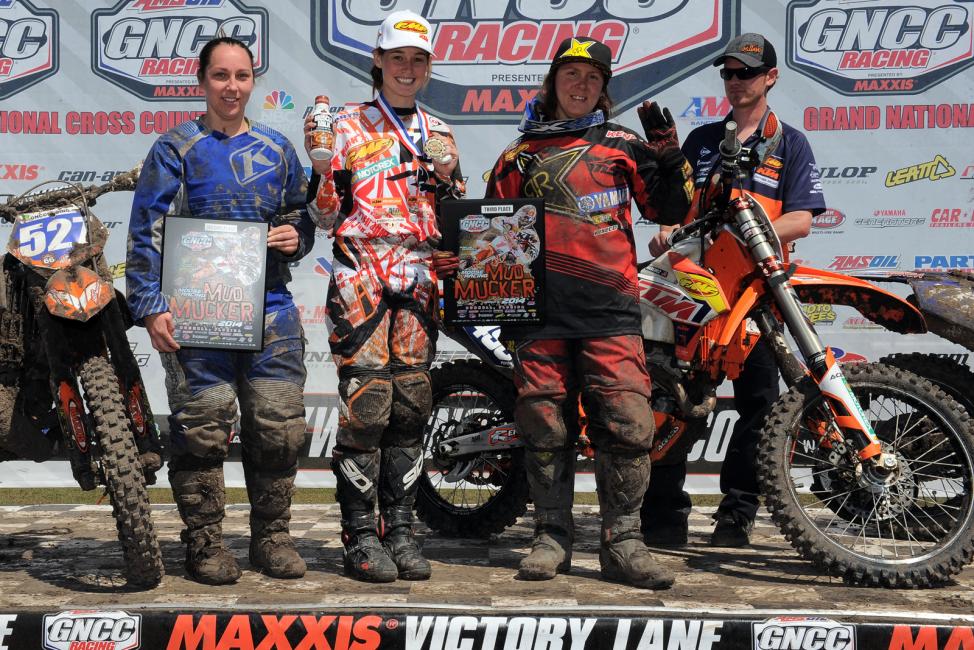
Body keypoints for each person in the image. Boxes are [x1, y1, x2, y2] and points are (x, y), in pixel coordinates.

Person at [437, 36, 693, 588]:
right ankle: (550, 535)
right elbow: (490, 231)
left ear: (603, 90)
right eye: (572, 74)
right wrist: (476, 278)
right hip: (538, 316)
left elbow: (669, 209)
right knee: (544, 427)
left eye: (593, 79)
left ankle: (623, 542)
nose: (581, 85)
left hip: (611, 310)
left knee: (628, 426)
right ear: (553, 81)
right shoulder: (519, 154)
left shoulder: (624, 142)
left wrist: (672, 163)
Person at [127, 36, 315, 585]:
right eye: (220, 76)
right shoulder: (175, 149)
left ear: (252, 81)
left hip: (270, 310)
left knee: (278, 427)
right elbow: (146, 234)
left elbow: (301, 218)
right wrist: (150, 306)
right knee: (203, 430)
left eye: (241, 76)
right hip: (196, 313)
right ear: (202, 81)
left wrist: (294, 237)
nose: (232, 87)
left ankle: (272, 538)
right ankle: (206, 542)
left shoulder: (279, 149)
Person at [641, 33, 826, 548]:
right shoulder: (702, 140)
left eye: (746, 72)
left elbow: (802, 220)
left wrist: (745, 233)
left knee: (760, 408)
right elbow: (675, 215)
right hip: (692, 290)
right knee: (671, 400)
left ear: (770, 77)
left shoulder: (789, 141)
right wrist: (668, 228)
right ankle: (663, 516)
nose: (735, 81)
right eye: (728, 73)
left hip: (756, 297)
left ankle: (735, 518)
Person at [305, 10, 464, 583]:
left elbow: (455, 217)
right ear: (377, 61)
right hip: (361, 266)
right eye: (396, 58)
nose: (407, 69)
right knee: (368, 402)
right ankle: (359, 534)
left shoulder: (440, 131)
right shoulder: (343, 123)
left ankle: (400, 528)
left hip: (418, 272)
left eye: (418, 60)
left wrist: (456, 240)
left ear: (428, 67)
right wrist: (322, 168)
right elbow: (323, 215)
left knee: (413, 403)